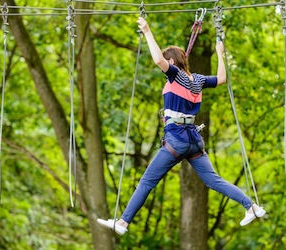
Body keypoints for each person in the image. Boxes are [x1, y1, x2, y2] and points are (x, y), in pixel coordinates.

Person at [97, 17, 266, 236]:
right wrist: (219, 54)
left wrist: (147, 30)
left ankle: (122, 223)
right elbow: (222, 79)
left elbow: (159, 60)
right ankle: (251, 206)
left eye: (168, 65)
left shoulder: (175, 76)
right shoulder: (197, 80)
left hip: (176, 139)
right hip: (194, 141)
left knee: (147, 181)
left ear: (173, 64)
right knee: (214, 180)